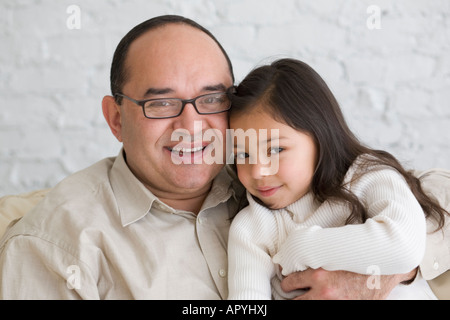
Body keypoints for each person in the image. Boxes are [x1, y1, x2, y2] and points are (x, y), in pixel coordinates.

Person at [0, 15, 446, 299]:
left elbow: (427, 197)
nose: (192, 127)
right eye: (161, 103)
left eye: (211, 100)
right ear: (116, 118)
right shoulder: (58, 244)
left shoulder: (260, 176)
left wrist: (383, 274)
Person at [226, 58, 449, 300]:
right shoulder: (250, 228)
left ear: (320, 137)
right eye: (242, 154)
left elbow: (404, 246)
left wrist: (302, 248)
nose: (258, 171)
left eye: (276, 150)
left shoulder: (368, 177)